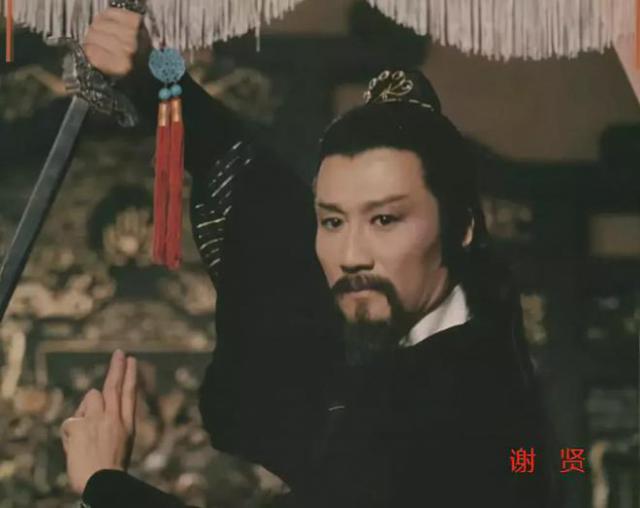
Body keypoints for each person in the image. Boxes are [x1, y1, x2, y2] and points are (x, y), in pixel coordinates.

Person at [61, 7, 561, 508]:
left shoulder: (466, 405)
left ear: (462, 227)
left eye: (385, 219)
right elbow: (261, 199)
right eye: (333, 221)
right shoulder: (417, 326)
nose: (351, 256)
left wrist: (104, 484)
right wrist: (155, 75)